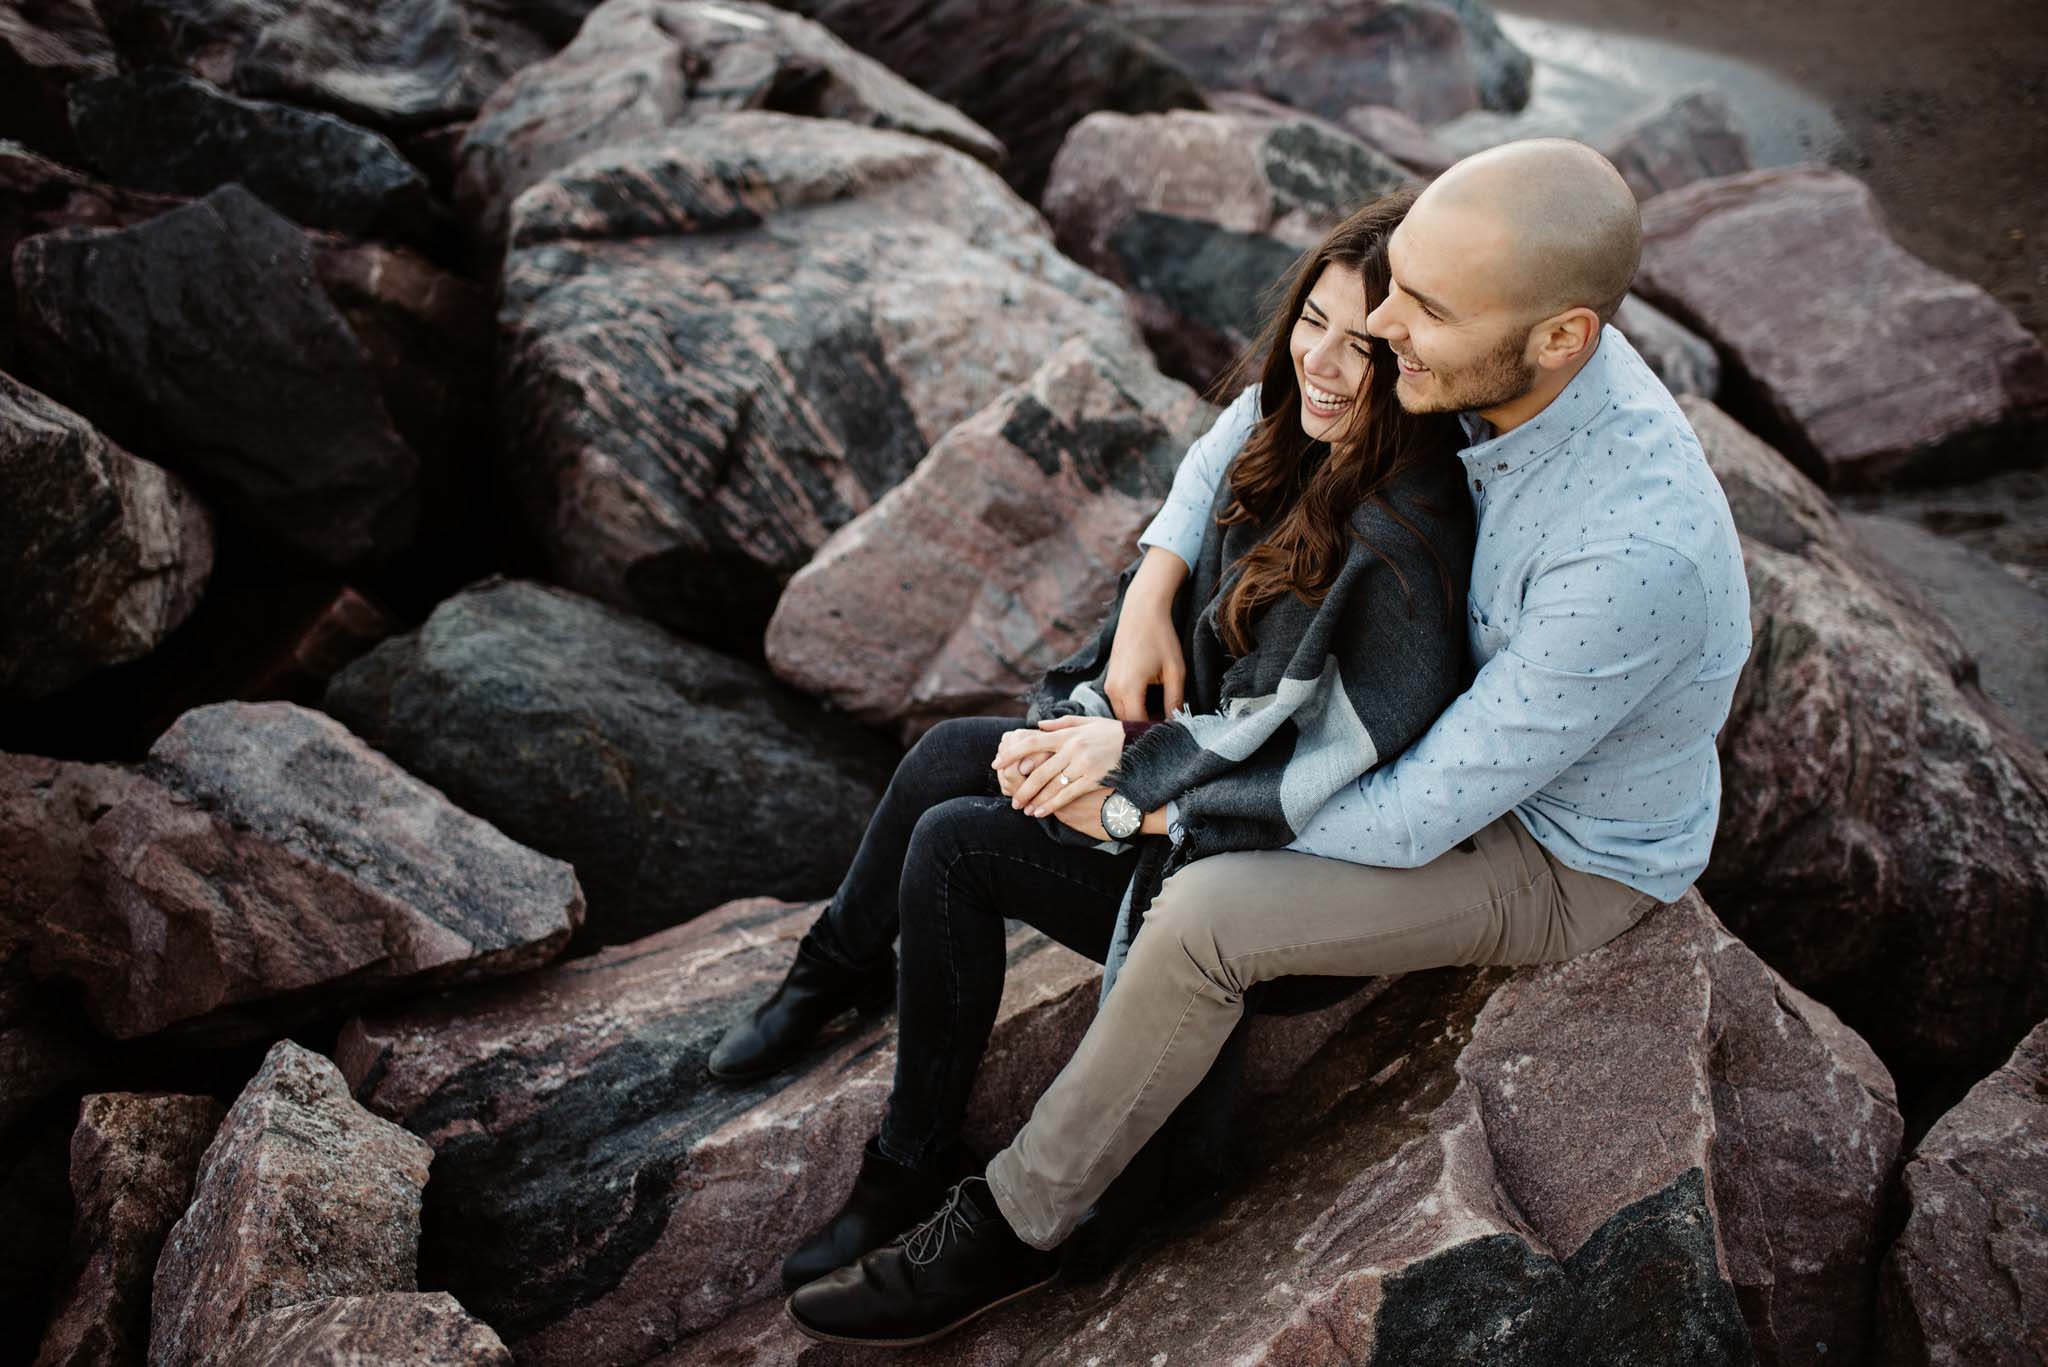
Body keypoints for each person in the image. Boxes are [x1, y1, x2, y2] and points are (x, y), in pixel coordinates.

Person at [782, 137, 1753, 1349]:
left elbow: (1412, 816)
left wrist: (1145, 795)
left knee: (1203, 920)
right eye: (1389, 285)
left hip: (1555, 847)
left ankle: (1013, 1226)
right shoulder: (1487, 358)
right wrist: (1153, 582)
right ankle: (838, 1001)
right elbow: (1259, 414)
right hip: (1438, 744)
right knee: (969, 768)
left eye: (1419, 310)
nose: (1383, 328)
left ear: (1561, 336)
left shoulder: (1627, 551)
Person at [707, 189, 1479, 1310]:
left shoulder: (1399, 540)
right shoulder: (1293, 438)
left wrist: (1121, 774)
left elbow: (1317, 767)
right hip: (1195, 784)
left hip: (1264, 875)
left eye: (1362, 342)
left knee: (955, 843)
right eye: (1311, 319)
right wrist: (1108, 683)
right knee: (947, 757)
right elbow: (1211, 489)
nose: (1322, 359)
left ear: (1407, 359)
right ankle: (828, 971)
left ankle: (906, 1163)